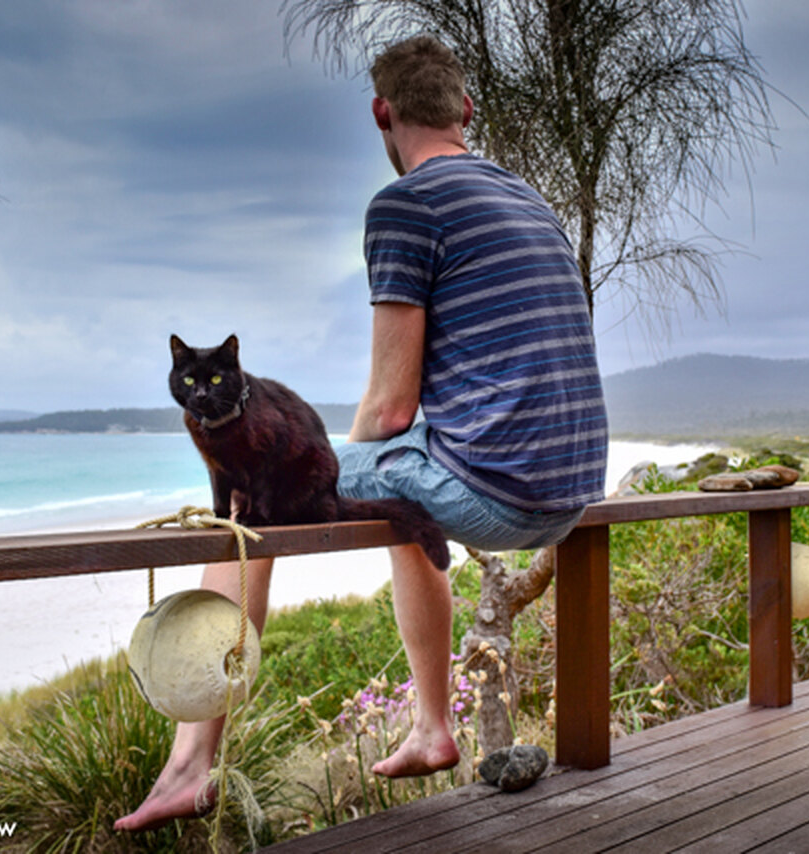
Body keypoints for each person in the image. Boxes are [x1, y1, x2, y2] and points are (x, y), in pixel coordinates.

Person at [115, 34, 606, 832]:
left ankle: (189, 762)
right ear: (465, 110)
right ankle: (431, 727)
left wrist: (338, 468)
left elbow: (389, 410)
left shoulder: (407, 205)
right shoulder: (529, 199)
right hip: (573, 495)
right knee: (393, 491)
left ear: (382, 113)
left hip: (502, 497)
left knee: (254, 498)